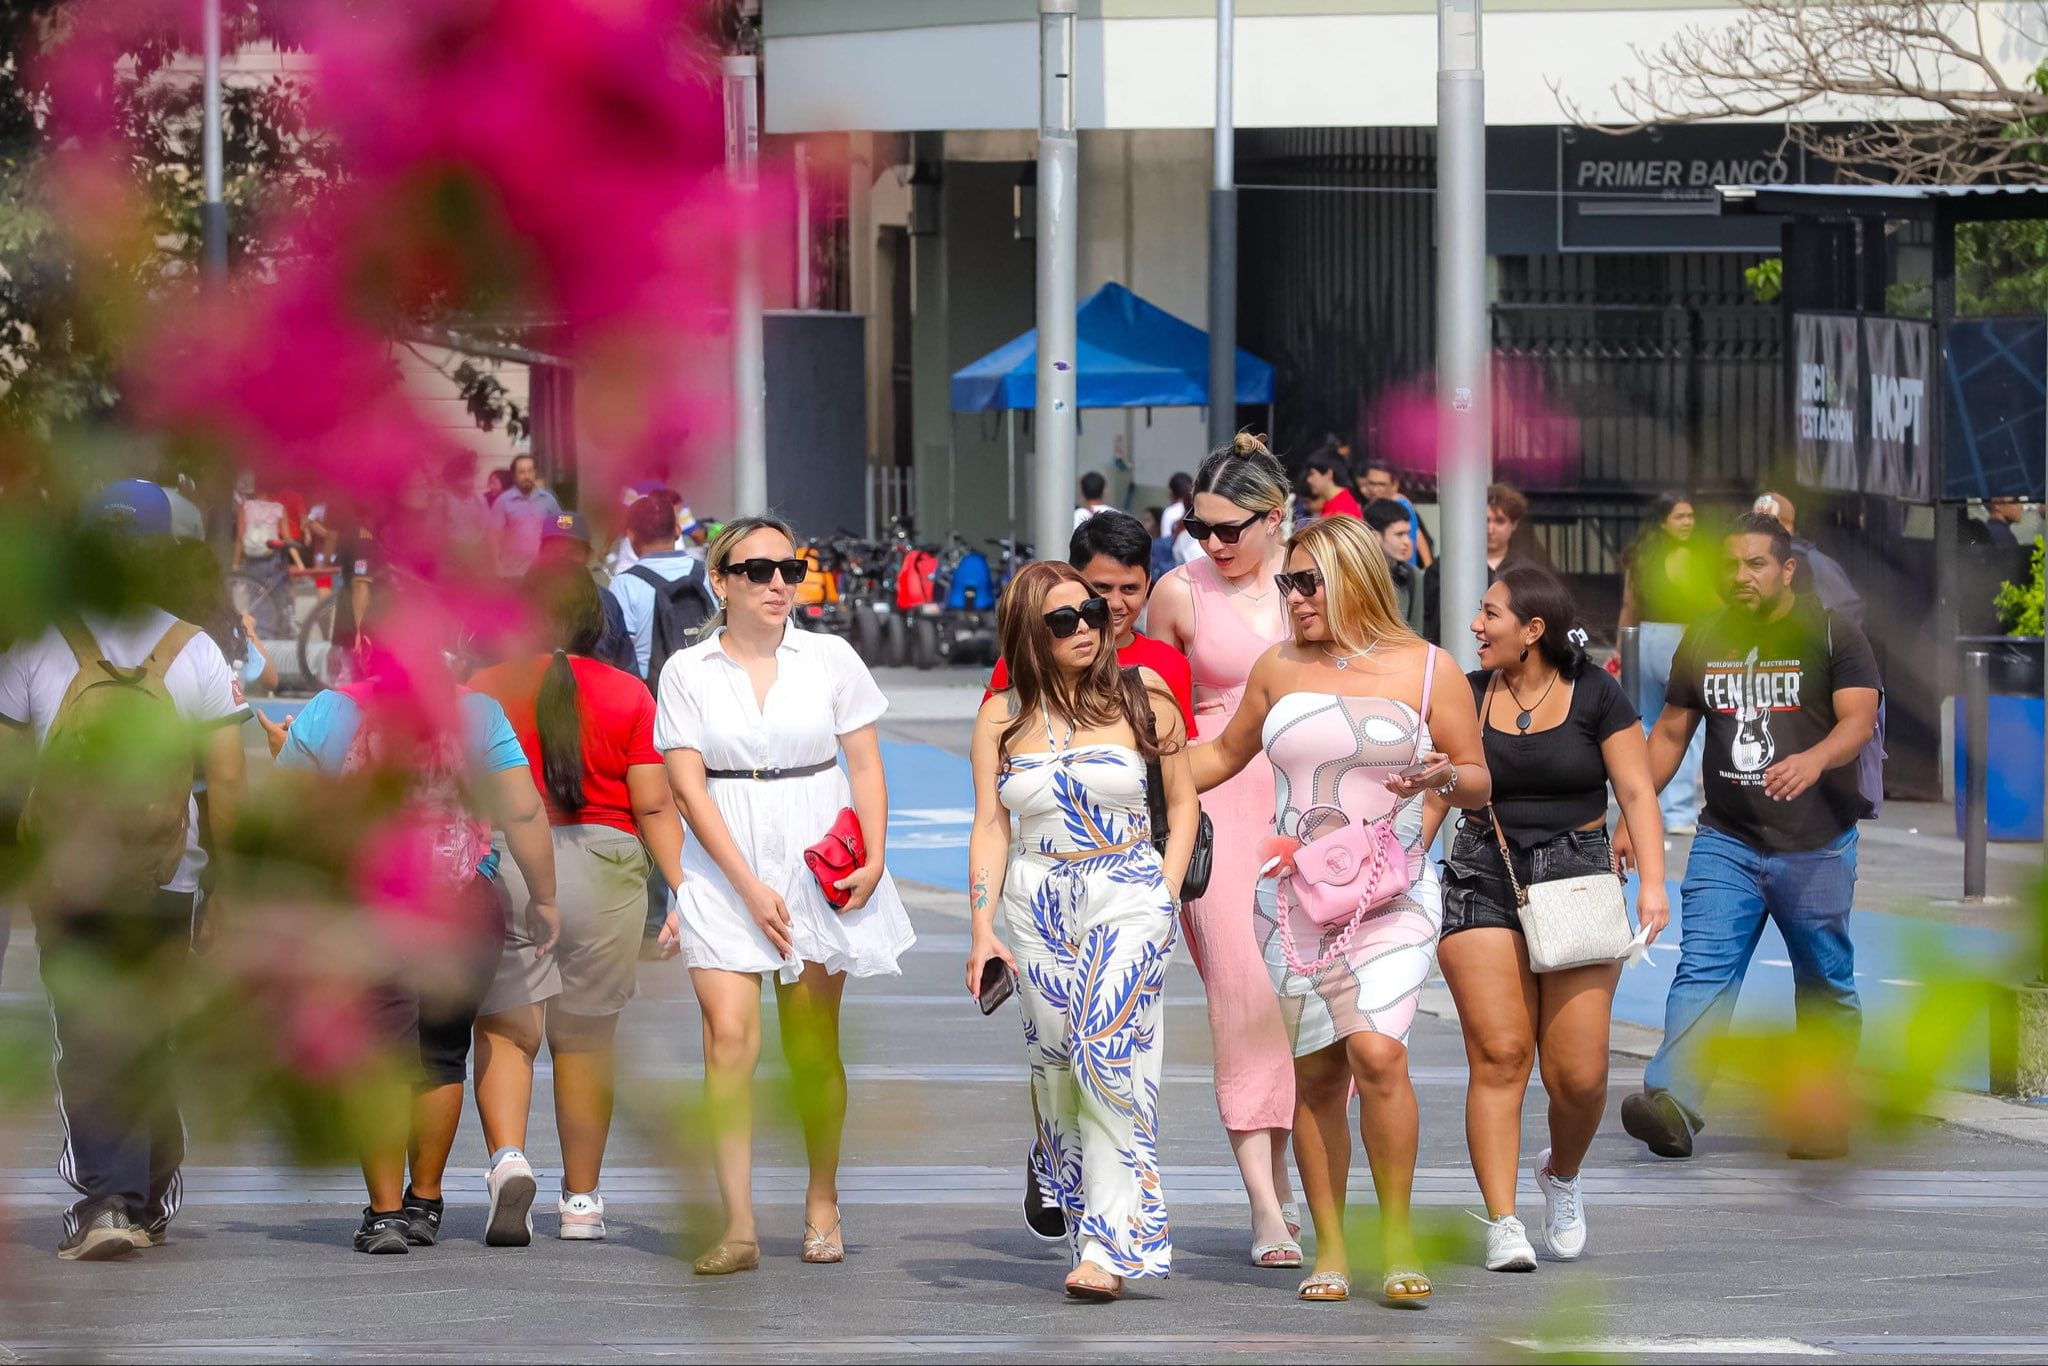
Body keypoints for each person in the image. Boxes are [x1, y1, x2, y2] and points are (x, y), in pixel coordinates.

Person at [1189, 515, 1489, 1304]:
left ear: (1355, 577)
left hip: (1391, 893)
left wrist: (1440, 779)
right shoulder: (1277, 667)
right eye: (1286, 583)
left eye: (1306, 582)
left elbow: (1478, 776)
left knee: (1379, 1054)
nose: (1292, 597)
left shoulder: (1429, 669)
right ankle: (1328, 1248)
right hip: (1291, 896)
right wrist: (1135, 764)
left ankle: (1395, 1240)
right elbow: (1221, 756)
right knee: (1317, 1072)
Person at [655, 515, 915, 1273]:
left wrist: (874, 853)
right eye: (758, 571)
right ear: (722, 581)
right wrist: (744, 884)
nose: (778, 584)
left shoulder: (829, 657)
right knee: (729, 1043)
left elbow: (865, 765)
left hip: (814, 864)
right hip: (721, 867)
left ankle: (822, 1200)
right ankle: (736, 1225)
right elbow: (687, 788)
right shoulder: (688, 671)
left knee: (811, 1048)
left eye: (789, 570)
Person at [270, 585, 563, 1254]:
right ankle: (426, 1200)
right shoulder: (478, 713)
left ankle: (382, 1214)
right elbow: (519, 812)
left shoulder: (328, 713)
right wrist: (543, 896)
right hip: (463, 901)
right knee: (441, 1051)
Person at [0, 481, 250, 1261]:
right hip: (166, 877)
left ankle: (109, 1197)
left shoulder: (36, 642)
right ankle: (143, 1191)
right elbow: (228, 781)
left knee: (89, 1034)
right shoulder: (197, 648)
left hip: (69, 879)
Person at [1423, 566, 1669, 1272]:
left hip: (1578, 873)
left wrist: (1652, 883)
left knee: (1581, 1077)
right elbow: (1440, 789)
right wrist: (1398, 860)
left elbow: (1636, 791)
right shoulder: (1466, 696)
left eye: (1490, 613)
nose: (1475, 625)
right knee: (1501, 1055)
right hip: (1481, 874)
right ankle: (1502, 1220)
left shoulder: (1597, 693)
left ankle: (1560, 1173)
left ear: (1532, 630)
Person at [1619, 513, 1881, 1164]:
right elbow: (1672, 735)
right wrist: (1634, 809)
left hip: (1816, 840)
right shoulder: (1706, 635)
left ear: (1787, 569)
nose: (1740, 576)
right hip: (1727, 838)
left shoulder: (1830, 631)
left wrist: (1815, 759)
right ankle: (1673, 1104)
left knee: (1823, 980)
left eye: (1755, 565)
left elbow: (1859, 719)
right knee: (1703, 969)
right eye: (1731, 565)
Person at [965, 561, 1196, 1302]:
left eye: (1092, 611)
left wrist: (1161, 892)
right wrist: (981, 926)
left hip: (1125, 884)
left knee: (1104, 1055)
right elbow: (990, 827)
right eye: (1064, 619)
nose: (1087, 627)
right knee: (1059, 1064)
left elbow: (1184, 806)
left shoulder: (1144, 697)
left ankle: (1109, 1245)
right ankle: (1079, 1206)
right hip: (1037, 899)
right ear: (1031, 633)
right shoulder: (1001, 716)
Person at [467, 562, 687, 1244]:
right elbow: (652, 801)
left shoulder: (484, 689)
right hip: (608, 866)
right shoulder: (628, 694)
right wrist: (683, 889)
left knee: (506, 1028)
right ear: (600, 624)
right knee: (586, 1041)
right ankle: (583, 1202)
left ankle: (508, 1162)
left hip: (511, 863)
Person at [1144, 433, 1303, 1268]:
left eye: (1229, 529)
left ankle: (1309, 1164)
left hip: (1311, 800)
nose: (1213, 544)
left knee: (1311, 991)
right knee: (1243, 995)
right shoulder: (1177, 594)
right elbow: (1152, 716)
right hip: (1213, 804)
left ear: (1274, 519)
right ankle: (1266, 1204)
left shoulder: (1317, 581)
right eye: (1201, 528)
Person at [987, 510, 1196, 739]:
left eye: (1129, 589)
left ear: (1147, 586)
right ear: (1072, 578)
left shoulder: (1169, 664)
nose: (1115, 603)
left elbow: (1180, 761)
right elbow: (991, 746)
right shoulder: (1026, 660)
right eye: (1102, 588)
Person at [1619, 493, 1718, 836]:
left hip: (1645, 638)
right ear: (1664, 521)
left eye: (1690, 516)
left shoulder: (1641, 558)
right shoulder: (1692, 558)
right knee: (1686, 723)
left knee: (1644, 722)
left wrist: (1623, 648)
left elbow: (1628, 607)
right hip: (1681, 637)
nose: (1688, 522)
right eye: (1681, 517)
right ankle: (1677, 812)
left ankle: (1644, 805)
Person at [612, 495, 719, 683]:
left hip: (655, 696)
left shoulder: (624, 584)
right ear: (677, 530)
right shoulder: (710, 575)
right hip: (709, 687)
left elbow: (620, 651)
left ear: (630, 535)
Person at [1753, 493, 1862, 626]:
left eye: (1770, 525)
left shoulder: (1813, 563)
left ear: (1788, 525)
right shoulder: (1751, 560)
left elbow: (1848, 611)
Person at [490, 454, 564, 580]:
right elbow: (494, 537)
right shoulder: (503, 502)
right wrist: (497, 567)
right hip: (513, 573)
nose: (527, 476)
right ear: (514, 476)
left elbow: (562, 529)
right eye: (522, 472)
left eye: (530, 471)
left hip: (543, 572)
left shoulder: (548, 499)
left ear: (535, 473)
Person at [1362, 498, 1426, 637]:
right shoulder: (1356, 575)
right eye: (1399, 534)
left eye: (1408, 534)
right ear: (1375, 536)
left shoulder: (1412, 576)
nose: (1407, 542)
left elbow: (1416, 633)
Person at [1359, 459, 1433, 570]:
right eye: (1371, 483)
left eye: (1381, 484)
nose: (1374, 489)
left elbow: (1410, 549)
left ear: (1394, 486)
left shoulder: (1402, 507)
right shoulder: (1371, 506)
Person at [1486, 483, 1553, 583]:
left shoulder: (1527, 572)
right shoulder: (1459, 568)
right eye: (1485, 521)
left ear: (1514, 524)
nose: (1490, 529)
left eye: (1500, 521)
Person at [1305, 453, 1363, 521]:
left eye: (1312, 474)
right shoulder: (1335, 503)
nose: (1308, 480)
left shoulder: (1342, 510)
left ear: (1328, 474)